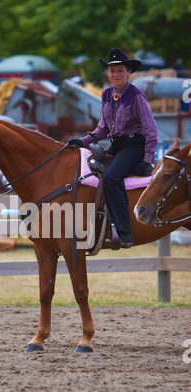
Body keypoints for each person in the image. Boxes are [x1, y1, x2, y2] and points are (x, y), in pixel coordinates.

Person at [68, 48, 158, 249]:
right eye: (112, 71)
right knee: (89, 173)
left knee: (111, 178)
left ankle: (124, 232)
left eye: (120, 70)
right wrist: (81, 142)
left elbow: (151, 130)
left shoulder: (136, 95)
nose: (115, 74)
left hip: (135, 146)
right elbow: (103, 128)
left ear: (128, 72)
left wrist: (146, 159)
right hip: (115, 145)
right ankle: (97, 225)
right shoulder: (107, 94)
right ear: (107, 73)